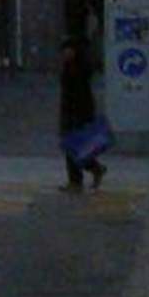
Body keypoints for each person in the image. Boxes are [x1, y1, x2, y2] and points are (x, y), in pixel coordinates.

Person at [59, 33, 105, 191]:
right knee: (72, 146)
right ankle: (85, 174)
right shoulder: (69, 66)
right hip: (70, 110)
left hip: (79, 111)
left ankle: (82, 176)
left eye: (67, 50)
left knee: (75, 146)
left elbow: (80, 92)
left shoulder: (79, 68)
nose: (65, 53)